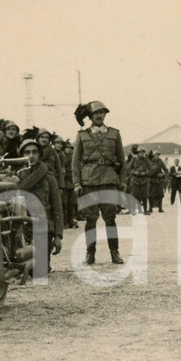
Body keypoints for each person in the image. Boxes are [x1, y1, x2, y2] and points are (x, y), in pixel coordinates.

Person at [72, 100, 125, 264]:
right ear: (90, 116)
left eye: (102, 112)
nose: (99, 115)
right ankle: (90, 253)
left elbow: (122, 160)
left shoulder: (114, 134)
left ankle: (115, 253)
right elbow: (75, 162)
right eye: (96, 113)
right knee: (90, 219)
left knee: (110, 218)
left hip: (108, 180)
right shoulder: (82, 135)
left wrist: (122, 181)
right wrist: (77, 183)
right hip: (89, 182)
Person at [15, 138, 64, 274]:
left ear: (40, 154)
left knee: (40, 271)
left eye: (35, 152)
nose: (31, 155)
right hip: (23, 229)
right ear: (21, 155)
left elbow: (57, 208)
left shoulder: (48, 178)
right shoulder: (16, 177)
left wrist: (58, 236)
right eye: (27, 152)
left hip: (43, 229)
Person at [55, 137, 76, 228]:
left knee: (71, 204)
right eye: (68, 147)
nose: (69, 149)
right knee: (64, 203)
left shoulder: (72, 157)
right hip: (64, 182)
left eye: (71, 148)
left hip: (71, 183)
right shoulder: (60, 155)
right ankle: (65, 222)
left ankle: (70, 221)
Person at [128, 147, 152, 215]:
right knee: (134, 195)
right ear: (137, 153)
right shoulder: (134, 160)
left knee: (145, 195)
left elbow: (151, 169)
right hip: (135, 180)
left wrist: (145, 173)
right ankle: (133, 210)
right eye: (140, 152)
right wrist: (134, 172)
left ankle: (145, 210)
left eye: (142, 152)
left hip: (144, 180)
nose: (141, 153)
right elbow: (128, 168)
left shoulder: (146, 160)